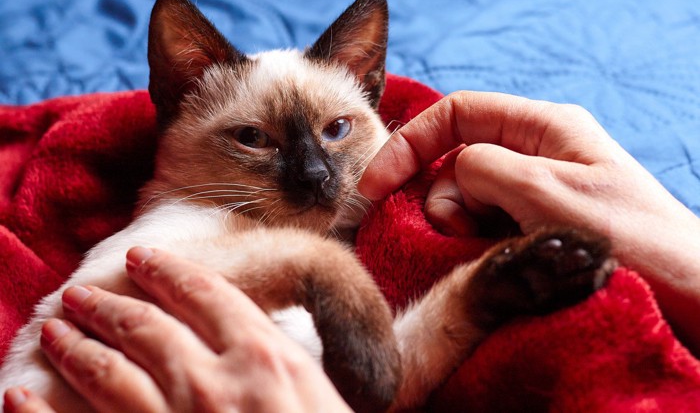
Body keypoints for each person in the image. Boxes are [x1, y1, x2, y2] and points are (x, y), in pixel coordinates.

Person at [4, 90, 700, 412]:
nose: (311, 172)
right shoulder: (176, 218)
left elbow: (365, 387)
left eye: (337, 129)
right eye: (252, 137)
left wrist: (464, 300)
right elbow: (149, 288)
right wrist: (319, 270)